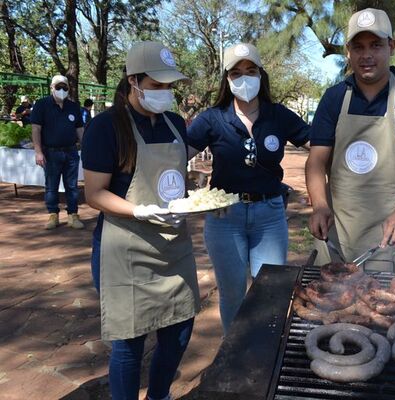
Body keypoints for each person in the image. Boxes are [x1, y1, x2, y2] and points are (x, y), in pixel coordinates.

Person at [81, 41, 201, 400]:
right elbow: (94, 193)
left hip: (173, 246)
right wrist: (139, 210)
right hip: (126, 249)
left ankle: (159, 394)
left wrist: (199, 199)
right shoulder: (106, 127)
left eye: (169, 85)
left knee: (180, 330)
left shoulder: (176, 124)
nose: (165, 92)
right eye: (157, 84)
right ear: (133, 81)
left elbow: (176, 177)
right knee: (128, 345)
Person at [306, 8, 395, 272]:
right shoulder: (334, 98)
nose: (366, 55)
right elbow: (316, 162)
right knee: (326, 306)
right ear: (348, 51)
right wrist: (320, 205)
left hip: (387, 240)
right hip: (336, 235)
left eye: (376, 45)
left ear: (391, 46)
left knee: (384, 308)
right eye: (358, 47)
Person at [186, 43, 310, 332]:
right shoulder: (212, 118)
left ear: (261, 75)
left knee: (270, 293)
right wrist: (185, 180)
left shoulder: (278, 115)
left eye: (250, 71)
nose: (244, 78)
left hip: (270, 215)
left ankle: (263, 355)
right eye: (236, 73)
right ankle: (235, 358)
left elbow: (317, 145)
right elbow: (176, 155)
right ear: (227, 80)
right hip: (224, 218)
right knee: (232, 294)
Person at [30, 75, 85, 230]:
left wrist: (86, 147)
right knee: (51, 186)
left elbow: (79, 129)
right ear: (51, 88)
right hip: (50, 153)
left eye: (65, 87)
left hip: (71, 152)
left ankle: (73, 215)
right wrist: (38, 151)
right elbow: (36, 129)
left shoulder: (73, 106)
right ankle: (53, 215)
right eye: (58, 87)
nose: (62, 90)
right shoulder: (41, 105)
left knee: (72, 186)